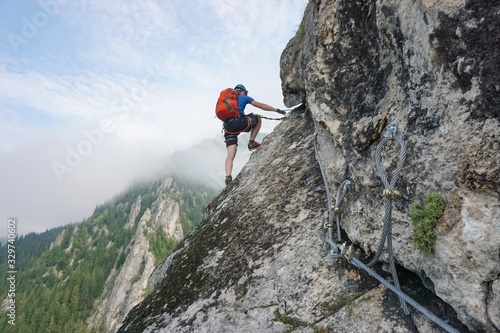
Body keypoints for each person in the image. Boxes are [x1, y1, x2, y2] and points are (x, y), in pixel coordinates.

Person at [222, 84, 285, 186]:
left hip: (227, 128)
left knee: (230, 154)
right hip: (239, 123)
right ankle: (251, 142)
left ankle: (228, 178)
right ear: (243, 91)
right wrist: (277, 110)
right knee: (257, 118)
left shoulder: (226, 100)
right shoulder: (243, 97)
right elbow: (262, 106)